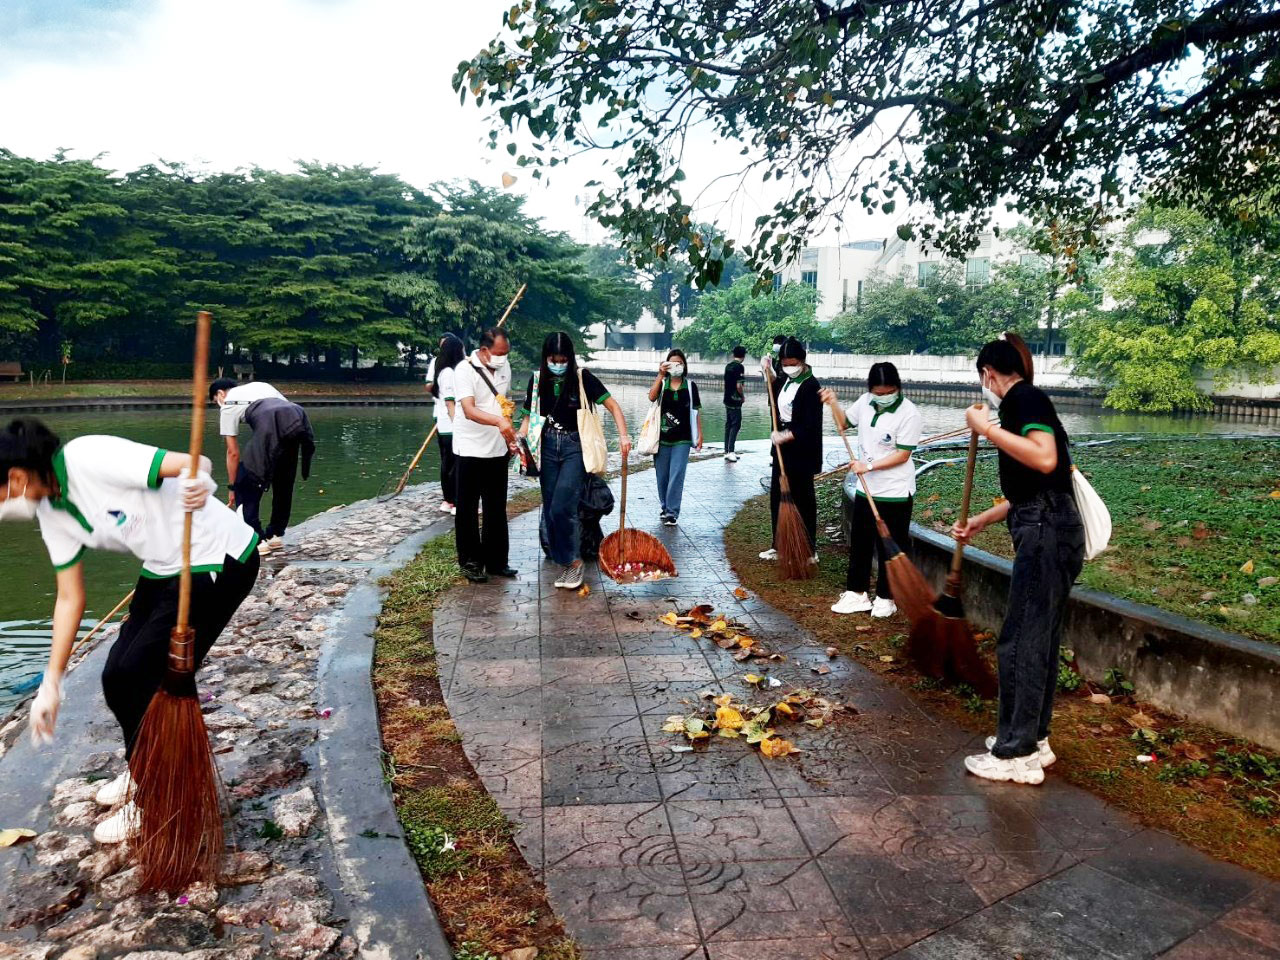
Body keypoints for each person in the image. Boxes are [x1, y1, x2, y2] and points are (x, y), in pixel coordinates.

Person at [5, 417, 260, 845]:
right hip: (164, 566)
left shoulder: (88, 457)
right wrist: (52, 682)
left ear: (14, 478)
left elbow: (191, 461)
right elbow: (69, 597)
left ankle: (158, 799)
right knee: (115, 675)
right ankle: (144, 766)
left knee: (141, 675)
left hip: (217, 556)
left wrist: (200, 482)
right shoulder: (52, 513)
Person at [952, 334, 1084, 786]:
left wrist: (986, 429)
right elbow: (1034, 487)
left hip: (1046, 531)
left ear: (989, 374)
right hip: (1051, 525)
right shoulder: (1031, 403)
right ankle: (1035, 739)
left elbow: (1045, 461)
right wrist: (982, 520)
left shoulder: (1023, 399)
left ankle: (1016, 753)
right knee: (1039, 638)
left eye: (984, 379)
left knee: (1021, 639)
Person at [519, 332, 631, 589]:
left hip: (574, 447)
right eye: (552, 358)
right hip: (546, 447)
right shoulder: (537, 381)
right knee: (549, 508)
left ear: (570, 358)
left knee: (563, 507)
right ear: (545, 357)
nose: (557, 363)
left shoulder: (583, 379)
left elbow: (613, 405)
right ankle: (565, 562)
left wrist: (624, 436)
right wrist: (519, 438)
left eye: (562, 358)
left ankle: (574, 563)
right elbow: (528, 417)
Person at [824, 362, 922, 618]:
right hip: (866, 488)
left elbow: (902, 455)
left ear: (897, 388)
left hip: (895, 490)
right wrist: (833, 402)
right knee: (860, 542)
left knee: (891, 545)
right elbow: (843, 423)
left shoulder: (909, 413)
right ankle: (856, 593)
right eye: (878, 392)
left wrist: (868, 465)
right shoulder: (865, 401)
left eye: (887, 392)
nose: (882, 397)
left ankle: (886, 598)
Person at [209, 378, 314, 555]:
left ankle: (257, 540)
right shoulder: (262, 386)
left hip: (271, 422)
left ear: (220, 394)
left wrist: (232, 487)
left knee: (245, 481)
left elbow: (233, 452)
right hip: (298, 417)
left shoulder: (228, 402)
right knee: (283, 481)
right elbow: (283, 413)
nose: (218, 405)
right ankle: (275, 535)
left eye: (214, 402)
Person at [453, 327, 518, 583]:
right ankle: (470, 562)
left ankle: (496, 561)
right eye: (499, 353)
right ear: (483, 350)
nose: (503, 358)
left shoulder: (505, 367)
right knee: (467, 508)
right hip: (469, 448)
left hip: (497, 448)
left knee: (496, 507)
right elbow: (469, 410)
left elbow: (504, 401)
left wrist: (508, 433)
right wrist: (498, 422)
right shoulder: (464, 370)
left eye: (506, 353)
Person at [758, 337, 822, 564]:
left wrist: (786, 435)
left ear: (802, 361)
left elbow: (808, 424)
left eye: (792, 362)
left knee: (803, 497)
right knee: (779, 494)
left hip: (801, 449)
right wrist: (769, 373)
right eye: (784, 363)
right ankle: (779, 544)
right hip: (782, 448)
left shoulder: (810, 385)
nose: (789, 366)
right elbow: (775, 394)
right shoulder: (786, 379)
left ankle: (809, 549)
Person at [647, 348, 702, 526]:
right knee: (662, 476)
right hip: (661, 438)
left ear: (684, 365)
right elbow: (651, 397)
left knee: (677, 475)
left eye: (680, 363)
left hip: (683, 439)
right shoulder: (663, 384)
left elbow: (695, 412)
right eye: (673, 363)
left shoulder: (691, 386)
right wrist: (660, 375)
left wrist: (699, 434)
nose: (677, 366)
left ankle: (672, 512)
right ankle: (664, 506)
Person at [432, 334, 466, 515]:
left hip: (446, 426)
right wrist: (458, 424)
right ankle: (454, 500)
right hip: (451, 427)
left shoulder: (444, 371)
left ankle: (449, 500)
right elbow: (450, 402)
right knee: (453, 465)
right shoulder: (449, 373)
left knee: (448, 464)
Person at [723, 345, 747, 462]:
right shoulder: (739, 367)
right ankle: (731, 451)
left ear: (733, 354)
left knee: (728, 424)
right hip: (735, 400)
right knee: (736, 424)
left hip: (727, 398)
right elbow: (739, 386)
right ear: (744, 356)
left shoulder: (728, 366)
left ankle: (726, 450)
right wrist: (742, 396)